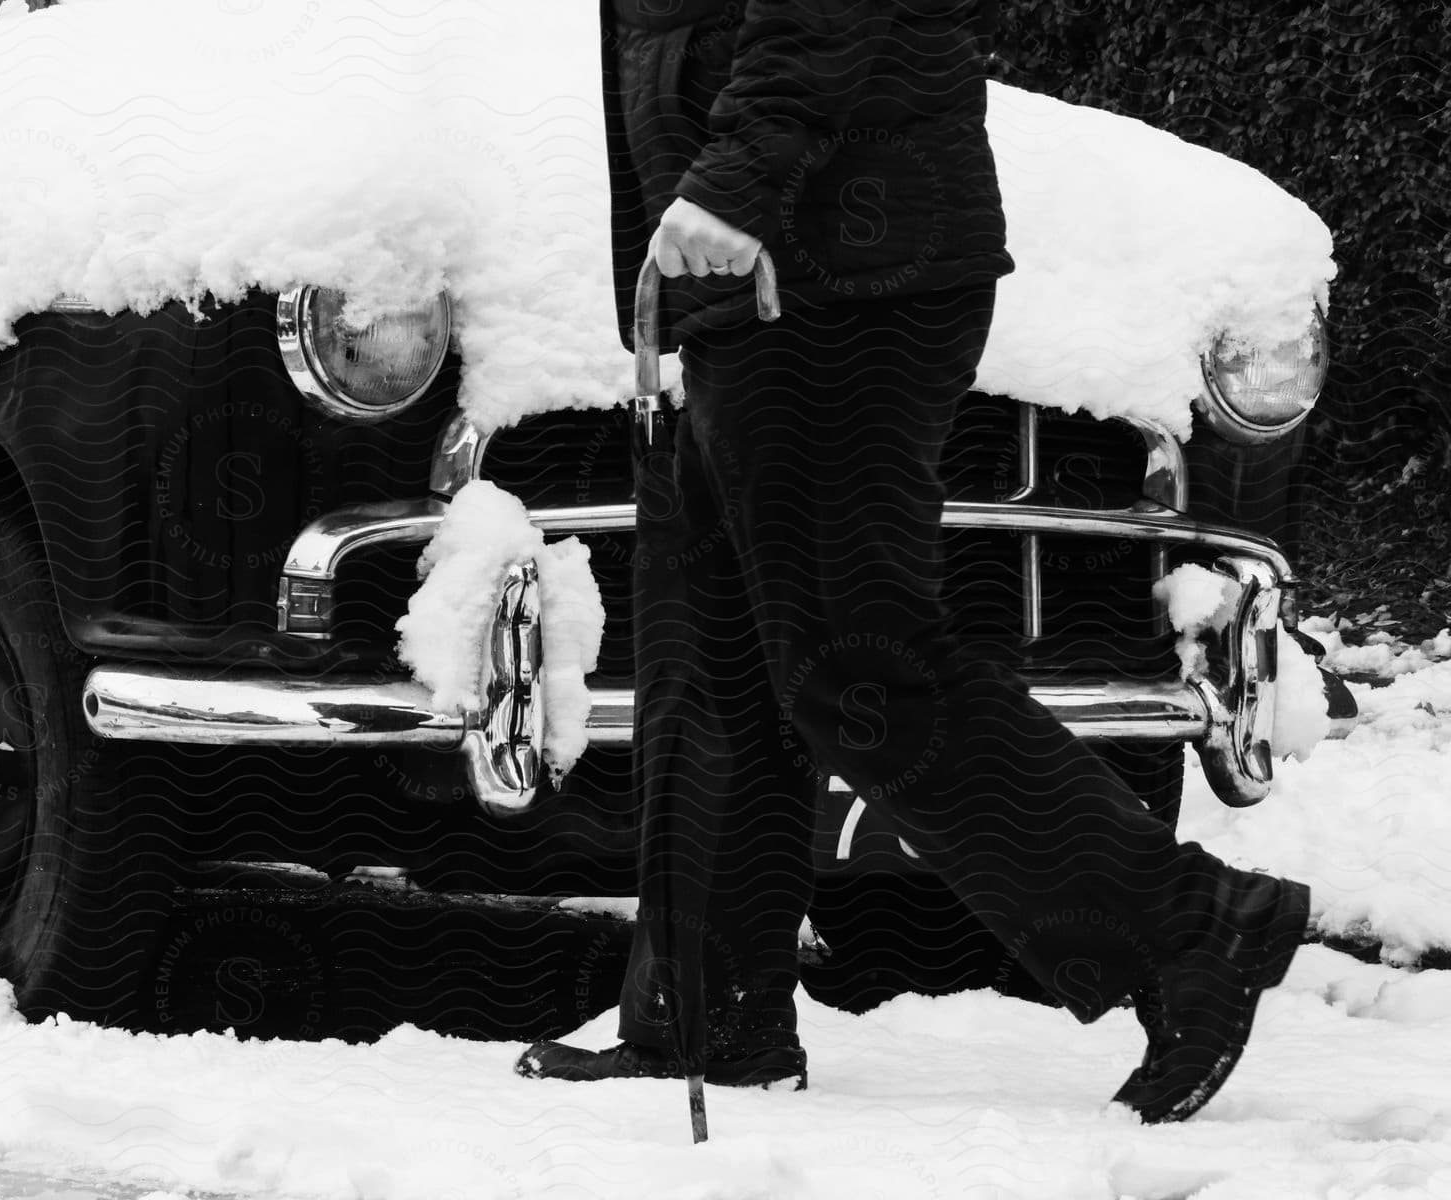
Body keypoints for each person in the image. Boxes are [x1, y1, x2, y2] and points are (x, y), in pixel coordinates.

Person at [514, 0, 1310, 1123]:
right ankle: (709, 1019)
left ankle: (1191, 926)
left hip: (837, 269)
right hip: (753, 273)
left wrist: (737, 180)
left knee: (856, 658)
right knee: (716, 651)